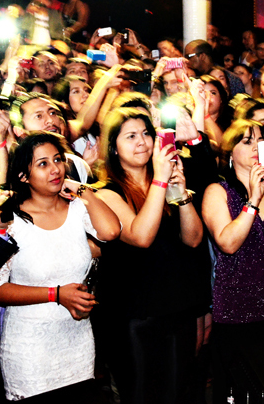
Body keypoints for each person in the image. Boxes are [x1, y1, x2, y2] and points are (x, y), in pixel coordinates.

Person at [0, 132, 120, 401]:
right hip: (30, 352)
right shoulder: (11, 220)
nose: (55, 169)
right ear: (24, 176)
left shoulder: (77, 209)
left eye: (58, 160)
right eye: (43, 164)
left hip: (77, 345)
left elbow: (111, 231)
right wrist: (56, 294)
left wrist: (83, 191)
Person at [95, 108, 203, 404]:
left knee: (179, 395)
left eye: (146, 134)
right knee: (142, 396)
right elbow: (140, 236)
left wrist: (180, 193)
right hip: (133, 317)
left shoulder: (163, 183)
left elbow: (194, 239)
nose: (142, 141)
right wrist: (160, 182)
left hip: (177, 307)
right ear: (113, 147)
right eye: (130, 136)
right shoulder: (106, 193)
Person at [201, 120, 264, 403]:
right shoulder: (218, 191)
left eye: (261, 140)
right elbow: (228, 242)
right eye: (246, 141)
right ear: (229, 153)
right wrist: (253, 200)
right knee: (242, 394)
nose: (256, 147)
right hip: (238, 313)